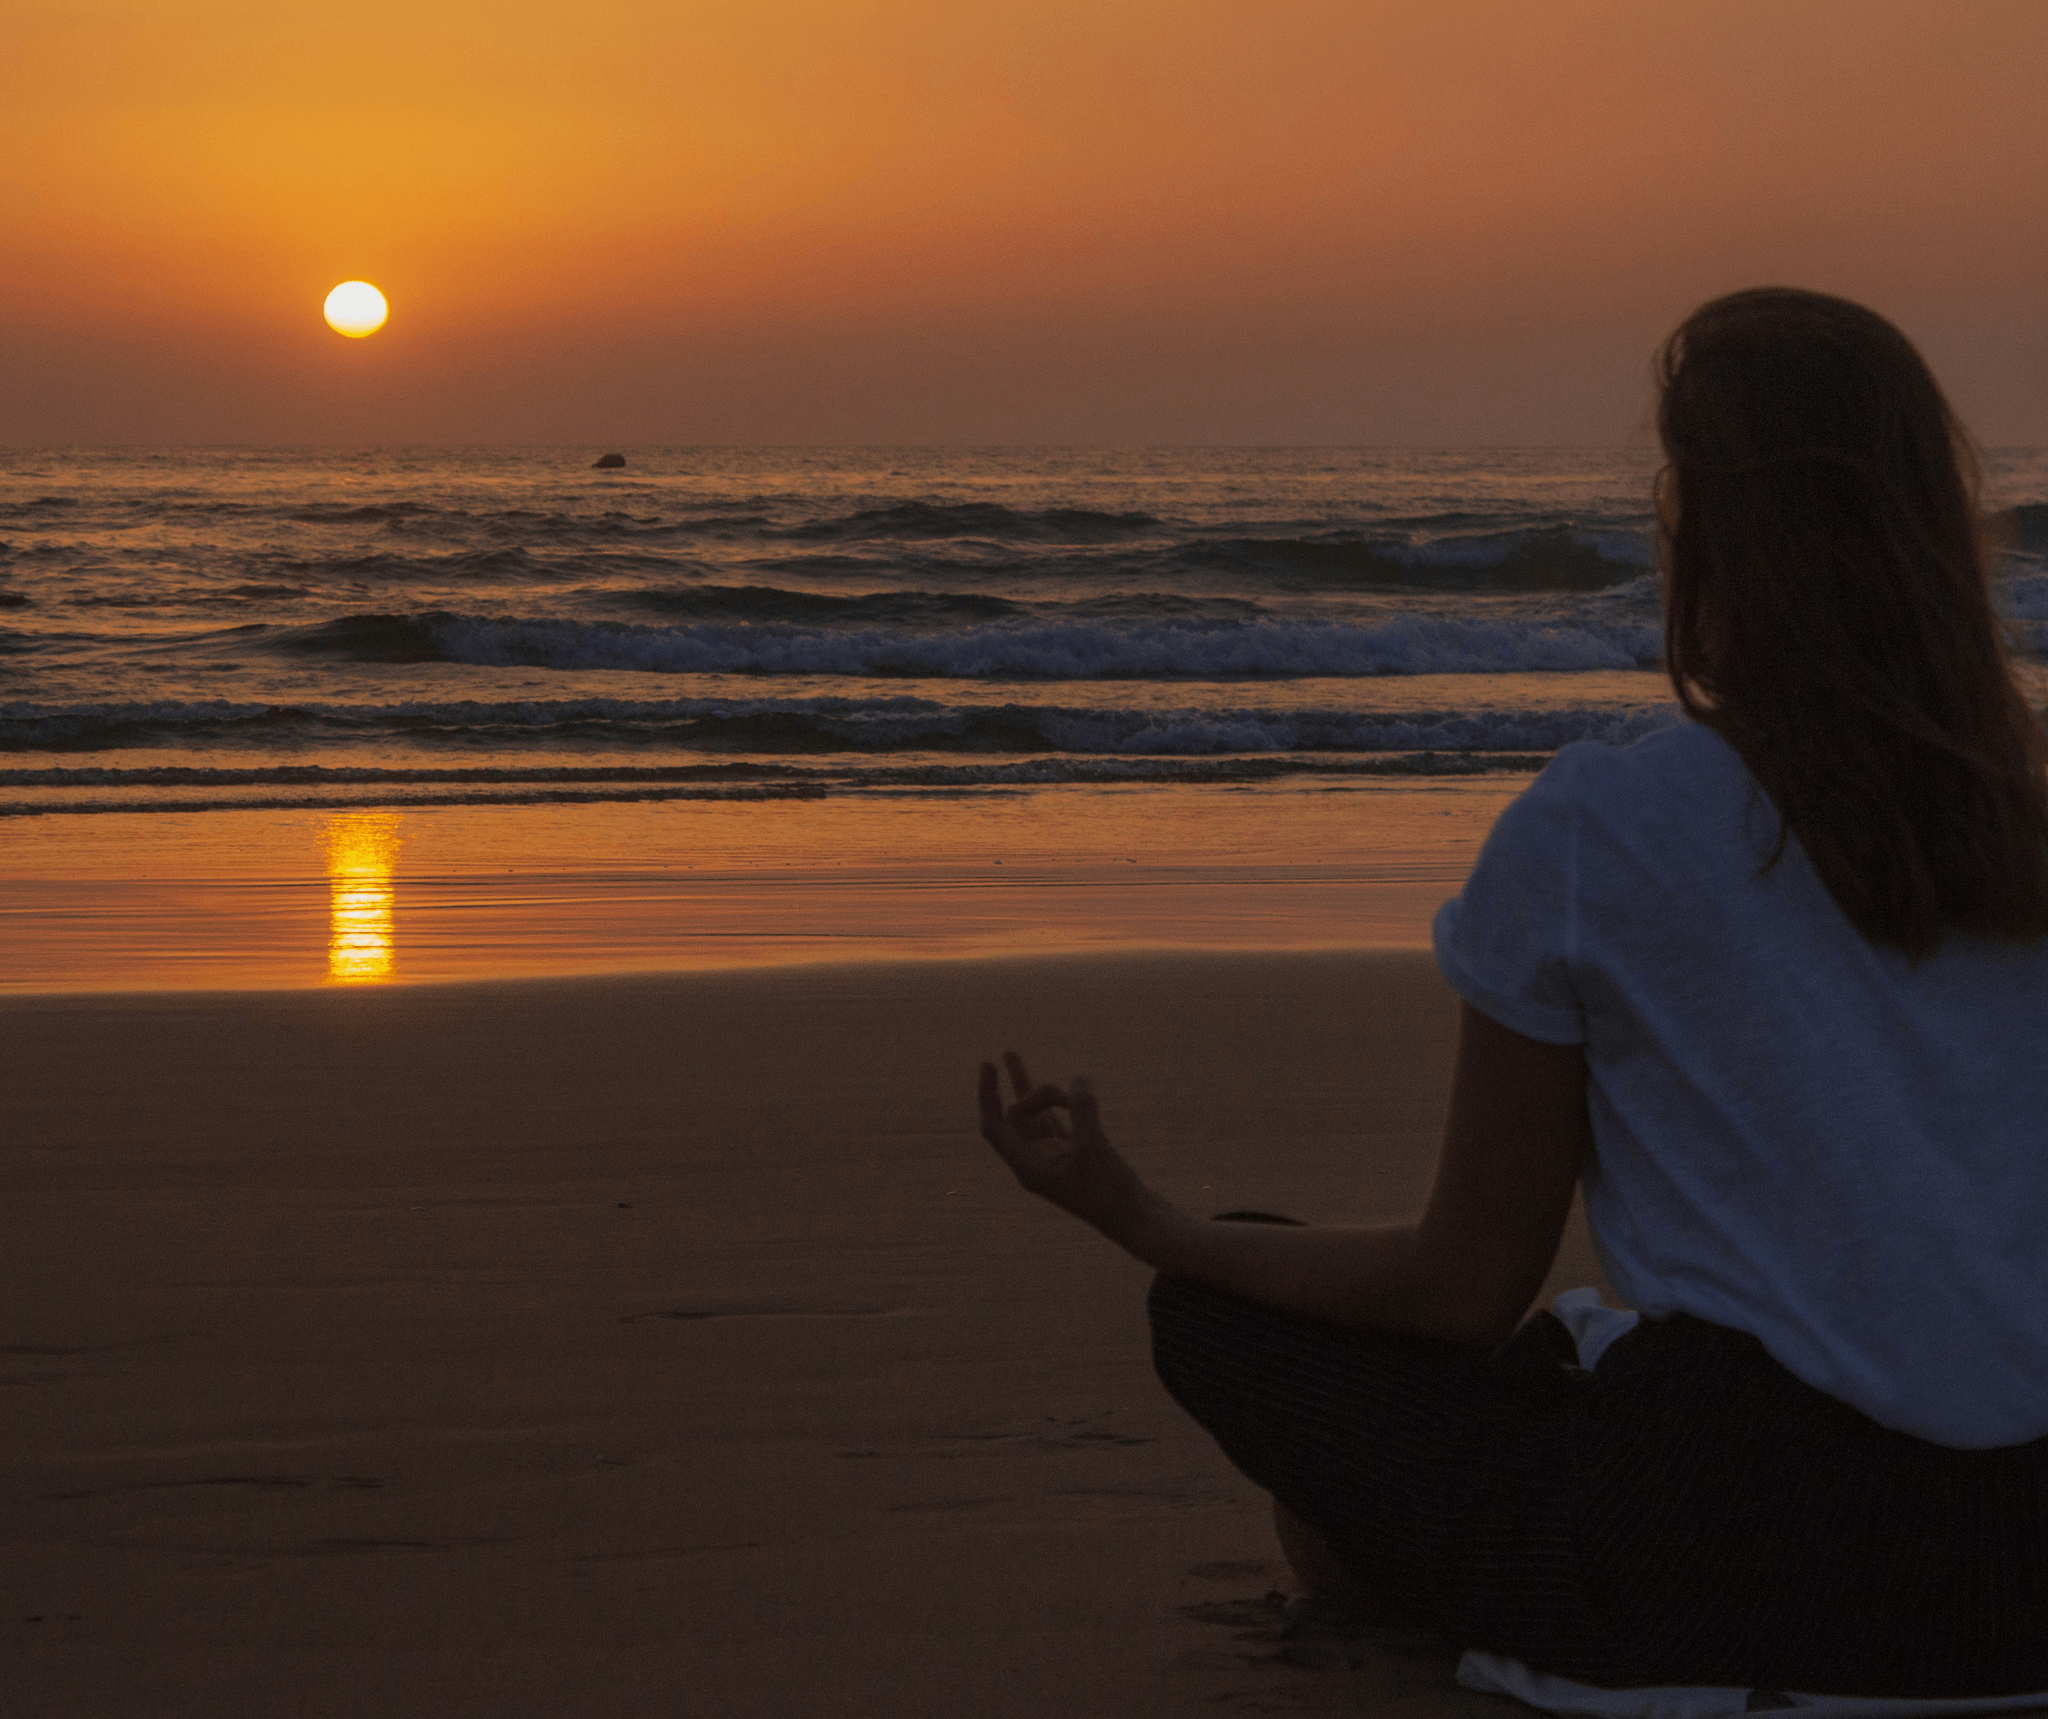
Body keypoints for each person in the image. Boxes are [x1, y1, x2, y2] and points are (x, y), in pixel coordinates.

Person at [976, 287, 2048, 1697]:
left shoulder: (1599, 829)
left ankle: (1432, 1563)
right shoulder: (2021, 829)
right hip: (2019, 1567)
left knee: (1219, 1304)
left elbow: (1464, 1281)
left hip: (1724, 1549)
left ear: (1709, 532)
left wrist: (1141, 1214)